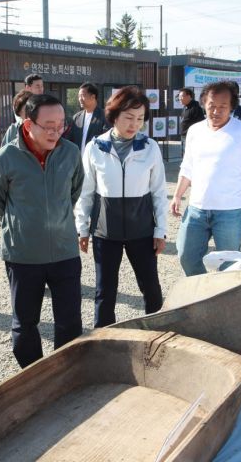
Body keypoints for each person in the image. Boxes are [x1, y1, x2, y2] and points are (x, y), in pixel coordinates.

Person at [0, 94, 85, 368]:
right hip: (23, 254)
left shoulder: (71, 153)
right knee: (25, 322)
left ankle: (64, 373)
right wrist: (23, 222)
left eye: (61, 125)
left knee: (70, 321)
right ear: (29, 125)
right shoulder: (4, 158)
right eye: (49, 126)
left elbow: (73, 192)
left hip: (65, 250)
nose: (56, 132)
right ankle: (33, 374)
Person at [75, 86, 168, 327]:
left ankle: (156, 333)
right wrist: (82, 228)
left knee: (150, 287)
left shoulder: (150, 148)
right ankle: (104, 338)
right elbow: (86, 192)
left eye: (140, 119)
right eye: (128, 117)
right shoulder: (95, 148)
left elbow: (158, 192)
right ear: (114, 115)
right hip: (106, 233)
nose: (134, 124)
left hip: (143, 231)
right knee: (105, 291)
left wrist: (160, 231)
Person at [171, 81, 241, 276]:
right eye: (211, 105)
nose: (216, 111)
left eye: (223, 107)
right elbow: (188, 166)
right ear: (204, 103)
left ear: (232, 107)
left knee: (228, 264)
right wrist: (177, 195)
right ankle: (202, 291)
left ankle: (223, 301)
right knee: (186, 256)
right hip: (197, 209)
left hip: (230, 212)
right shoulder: (195, 131)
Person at [66, 82, 110, 151]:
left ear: (93, 97)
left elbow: (107, 138)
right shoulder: (76, 117)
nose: (80, 99)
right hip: (79, 159)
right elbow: (70, 139)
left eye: (83, 95)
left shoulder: (105, 116)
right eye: (79, 96)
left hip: (96, 159)